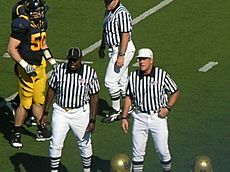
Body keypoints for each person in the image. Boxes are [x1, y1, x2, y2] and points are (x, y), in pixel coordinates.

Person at [40, 47, 100, 172]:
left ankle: (87, 170)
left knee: (84, 143)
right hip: (61, 111)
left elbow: (94, 97)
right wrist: (45, 113)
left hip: (80, 112)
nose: (72, 63)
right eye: (70, 60)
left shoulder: (90, 73)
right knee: (55, 143)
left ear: (81, 59)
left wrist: (92, 120)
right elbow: (51, 90)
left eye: (75, 60)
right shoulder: (59, 70)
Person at [7, 0, 57, 149]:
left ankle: (41, 129)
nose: (42, 13)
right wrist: (24, 65)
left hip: (40, 66)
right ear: (32, 12)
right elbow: (11, 48)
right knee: (25, 103)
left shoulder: (42, 22)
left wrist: (52, 61)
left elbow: (43, 44)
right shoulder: (22, 24)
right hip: (27, 68)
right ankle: (16, 132)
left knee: (39, 101)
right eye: (39, 11)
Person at [121, 48, 180, 172]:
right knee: (137, 152)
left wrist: (168, 108)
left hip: (157, 117)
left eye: (144, 59)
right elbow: (128, 96)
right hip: (139, 116)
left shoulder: (161, 75)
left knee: (163, 150)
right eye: (139, 59)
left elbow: (175, 92)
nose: (141, 62)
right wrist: (124, 117)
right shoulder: (133, 76)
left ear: (151, 60)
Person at [98, 0, 135, 122]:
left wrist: (121, 55)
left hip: (122, 49)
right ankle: (128, 107)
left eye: (110, 0)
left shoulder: (122, 13)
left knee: (110, 81)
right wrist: (102, 46)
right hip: (114, 48)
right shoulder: (108, 12)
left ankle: (115, 110)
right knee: (122, 80)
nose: (107, 3)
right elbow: (105, 30)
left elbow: (125, 34)